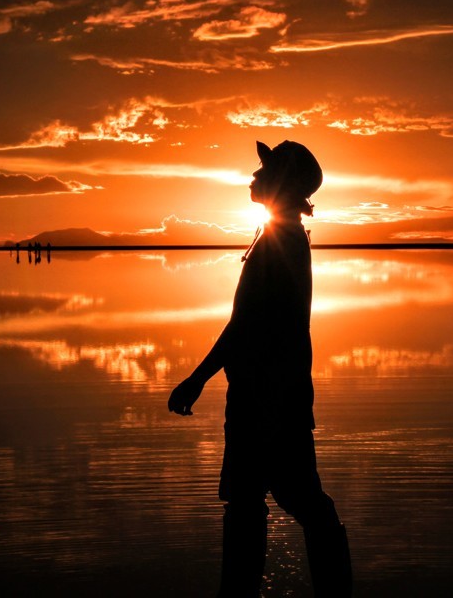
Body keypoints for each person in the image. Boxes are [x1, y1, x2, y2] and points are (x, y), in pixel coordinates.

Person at [168, 140, 352, 597]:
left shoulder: (279, 241)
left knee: (271, 503)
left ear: (282, 183)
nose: (253, 177)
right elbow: (246, 326)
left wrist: (197, 378)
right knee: (275, 501)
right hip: (271, 394)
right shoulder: (280, 236)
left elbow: (244, 327)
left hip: (267, 399)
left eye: (263, 171)